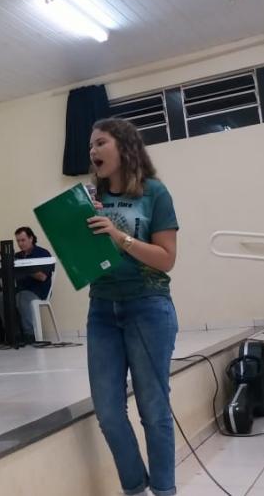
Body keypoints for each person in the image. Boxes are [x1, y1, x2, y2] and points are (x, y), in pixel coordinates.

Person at [85, 118, 179, 496]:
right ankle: (135, 488)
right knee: (108, 413)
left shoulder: (155, 193)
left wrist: (119, 235)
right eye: (90, 146)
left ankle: (165, 490)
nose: (92, 151)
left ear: (124, 147)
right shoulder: (92, 198)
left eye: (100, 143)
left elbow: (166, 259)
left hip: (148, 306)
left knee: (154, 412)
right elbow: (87, 258)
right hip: (102, 310)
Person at [0, 226, 54, 343]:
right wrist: (5, 263)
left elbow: (42, 277)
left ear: (31, 238)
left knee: (23, 297)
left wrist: (25, 267)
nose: (20, 244)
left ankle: (29, 334)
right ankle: (12, 333)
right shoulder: (17, 256)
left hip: (38, 291)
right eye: (18, 241)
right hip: (21, 289)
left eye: (23, 240)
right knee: (0, 298)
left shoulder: (42, 253)